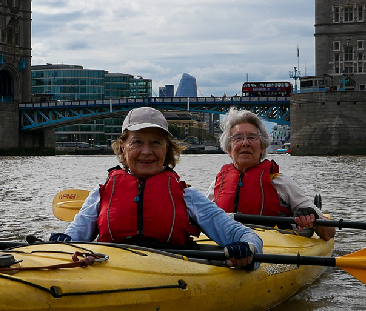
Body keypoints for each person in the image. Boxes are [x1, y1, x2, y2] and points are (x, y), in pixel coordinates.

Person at [50, 107, 263, 269]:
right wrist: (62, 243)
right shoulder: (101, 194)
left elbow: (247, 236)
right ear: (123, 147)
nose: (146, 151)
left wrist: (247, 249)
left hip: (171, 271)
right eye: (137, 142)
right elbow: (73, 240)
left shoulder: (187, 196)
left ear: (167, 149)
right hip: (114, 269)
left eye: (155, 143)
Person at [207, 108, 336, 241]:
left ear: (262, 148)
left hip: (270, 246)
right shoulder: (217, 185)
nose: (245, 143)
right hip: (226, 244)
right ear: (229, 149)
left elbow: (330, 232)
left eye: (251, 137)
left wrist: (310, 216)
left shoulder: (281, 182)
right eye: (238, 138)